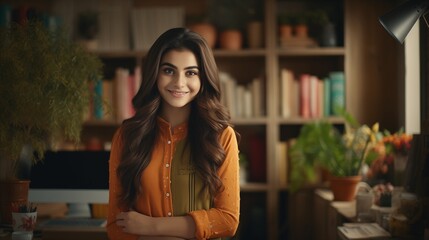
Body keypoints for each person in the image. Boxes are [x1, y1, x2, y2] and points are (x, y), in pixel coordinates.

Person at [106, 27, 241, 240]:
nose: (179, 83)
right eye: (169, 70)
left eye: (191, 72)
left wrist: (151, 227)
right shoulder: (127, 136)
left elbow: (227, 221)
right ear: (154, 73)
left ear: (203, 78)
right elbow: (116, 225)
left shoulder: (222, 136)